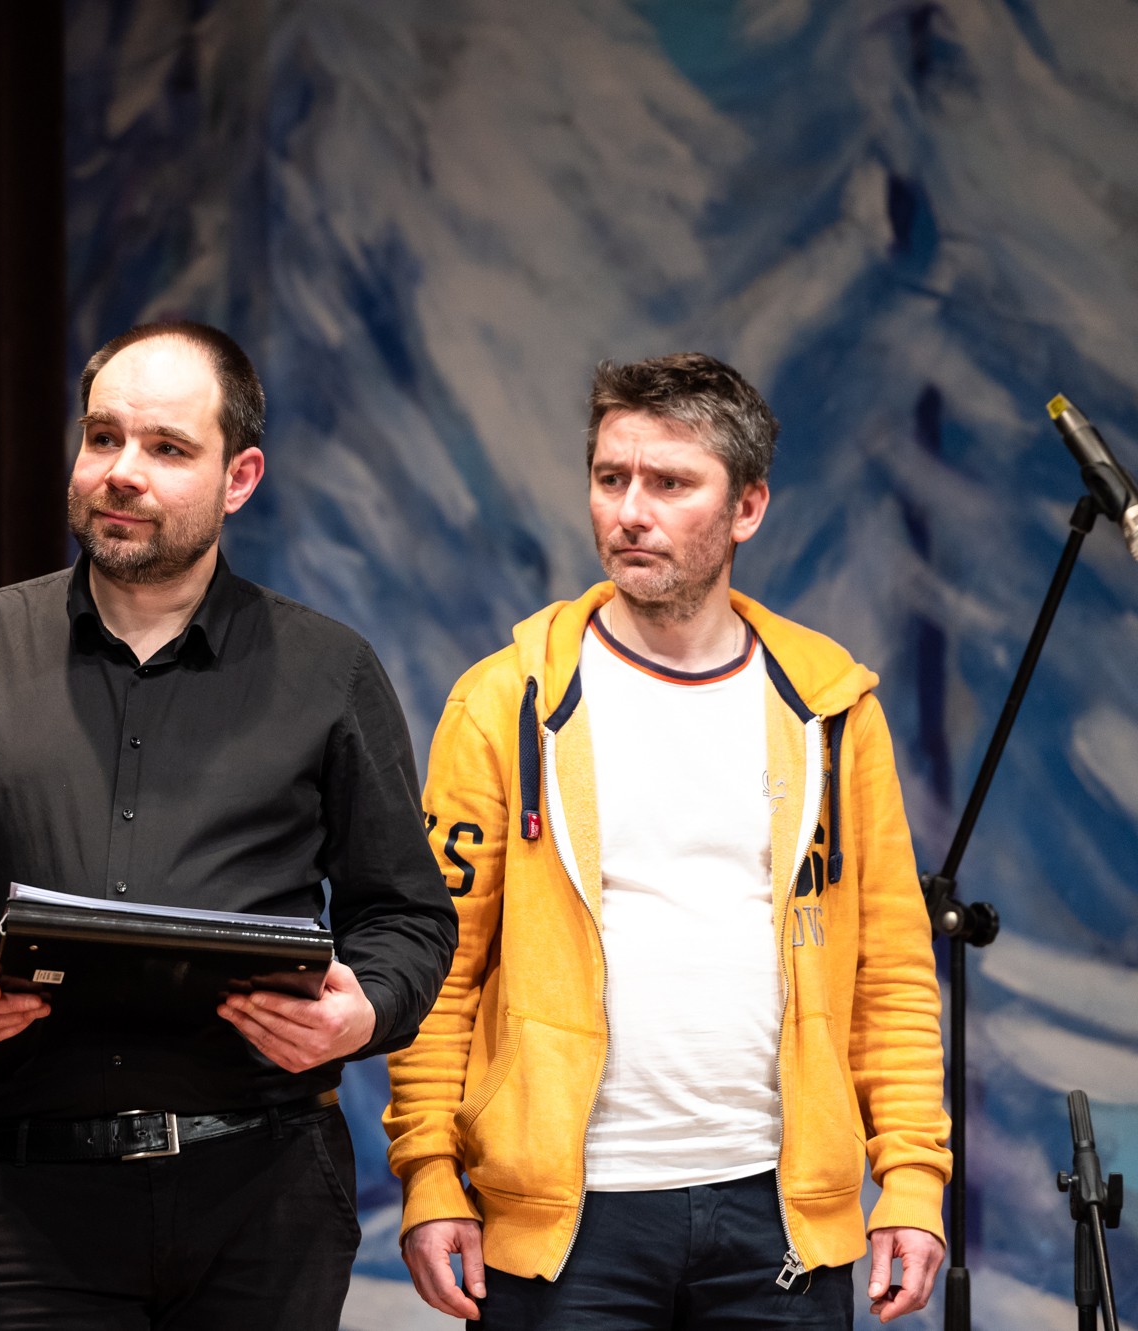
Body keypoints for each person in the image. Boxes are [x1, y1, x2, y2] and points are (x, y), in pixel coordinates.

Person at [0, 320, 458, 1328]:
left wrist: (361, 1012)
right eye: (102, 436)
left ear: (239, 477)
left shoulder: (329, 671)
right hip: (35, 1202)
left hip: (268, 1194)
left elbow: (408, 916)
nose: (121, 471)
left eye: (166, 447)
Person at [387, 353, 951, 1328]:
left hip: (778, 1212)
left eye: (670, 483)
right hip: (566, 1223)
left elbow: (890, 971)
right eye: (610, 478)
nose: (629, 511)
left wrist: (910, 1173)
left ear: (747, 507)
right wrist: (431, 1171)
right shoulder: (504, 701)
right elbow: (439, 963)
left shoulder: (828, 708)